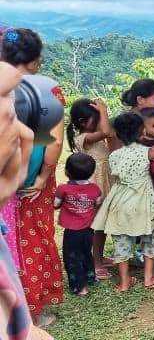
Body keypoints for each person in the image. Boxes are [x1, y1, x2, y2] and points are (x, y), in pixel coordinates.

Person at [2, 28, 64, 327]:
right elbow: (52, 141)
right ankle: (34, 311)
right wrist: (43, 176)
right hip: (29, 180)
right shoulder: (46, 90)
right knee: (31, 240)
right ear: (36, 61)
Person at [91, 113, 154, 291]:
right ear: (142, 132)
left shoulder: (114, 155)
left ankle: (124, 282)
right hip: (142, 202)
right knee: (149, 237)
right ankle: (149, 278)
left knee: (122, 240)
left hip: (120, 201)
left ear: (117, 134)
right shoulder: (147, 151)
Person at [67, 98, 118, 280]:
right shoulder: (83, 138)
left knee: (102, 226)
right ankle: (95, 264)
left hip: (104, 185)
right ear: (82, 122)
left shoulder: (94, 135)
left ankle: (100, 258)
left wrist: (102, 113)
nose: (99, 122)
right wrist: (103, 110)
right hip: (94, 189)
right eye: (95, 118)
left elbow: (109, 132)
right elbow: (106, 131)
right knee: (96, 227)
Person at [54, 153, 102, 297]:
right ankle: (91, 277)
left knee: (72, 258)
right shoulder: (95, 188)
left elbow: (55, 205)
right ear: (92, 172)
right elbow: (98, 202)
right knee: (87, 253)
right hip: (88, 230)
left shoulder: (62, 189)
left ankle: (80, 287)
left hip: (72, 232)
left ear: (67, 171)